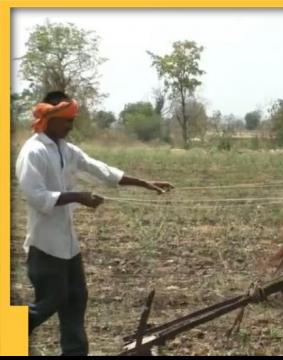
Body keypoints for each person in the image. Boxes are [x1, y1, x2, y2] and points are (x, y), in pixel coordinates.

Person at [15, 91, 174, 356]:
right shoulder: (34, 152)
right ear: (49, 118)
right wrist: (78, 196)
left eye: (72, 119)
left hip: (69, 246)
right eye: (66, 120)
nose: (70, 125)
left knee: (76, 300)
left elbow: (99, 168)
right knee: (49, 302)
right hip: (45, 246)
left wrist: (144, 183)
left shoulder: (65, 149)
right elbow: (35, 196)